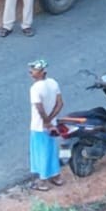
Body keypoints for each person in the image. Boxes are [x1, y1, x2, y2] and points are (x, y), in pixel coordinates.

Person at [27, 58, 65, 190]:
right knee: (52, 151)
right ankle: (56, 176)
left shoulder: (35, 88)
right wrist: (51, 121)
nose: (31, 72)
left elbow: (39, 107)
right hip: (52, 125)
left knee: (41, 153)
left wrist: (46, 122)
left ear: (42, 72)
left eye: (34, 70)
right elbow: (60, 104)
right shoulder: (53, 83)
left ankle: (42, 181)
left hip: (39, 126)